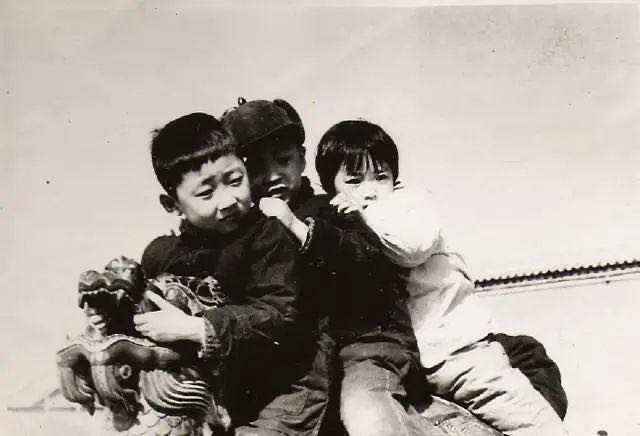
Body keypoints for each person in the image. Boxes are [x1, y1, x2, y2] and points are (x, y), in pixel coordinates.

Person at [307, 119, 569, 435]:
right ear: (330, 186)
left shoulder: (407, 205)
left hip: (459, 351)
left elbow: (412, 248)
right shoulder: (337, 220)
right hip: (412, 361)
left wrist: (363, 216)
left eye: (381, 177)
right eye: (354, 181)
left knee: (531, 421)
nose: (371, 191)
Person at [222, 99, 436, 436]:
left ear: (301, 158)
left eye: (283, 160)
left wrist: (299, 229)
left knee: (367, 412)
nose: (273, 175)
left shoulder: (335, 208)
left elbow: (370, 262)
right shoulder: (248, 233)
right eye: (257, 167)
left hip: (367, 345)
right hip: (302, 364)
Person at [127, 112, 327, 435]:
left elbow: (279, 314)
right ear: (172, 204)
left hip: (288, 386)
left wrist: (196, 328)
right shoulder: (164, 255)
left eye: (235, 181)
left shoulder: (267, 237)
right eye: (206, 193)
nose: (228, 200)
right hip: (223, 388)